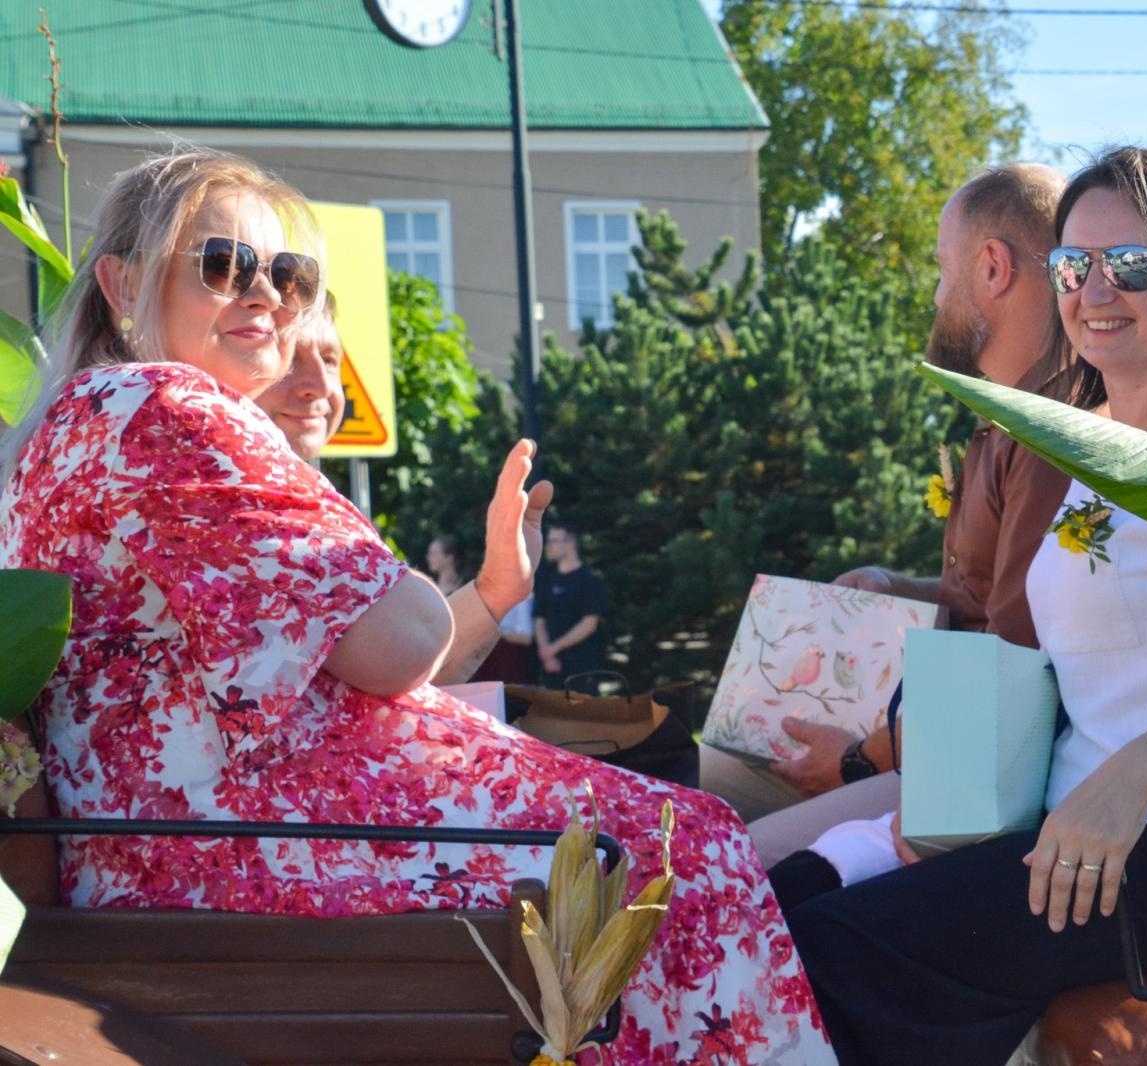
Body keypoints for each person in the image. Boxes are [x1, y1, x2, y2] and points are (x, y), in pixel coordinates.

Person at [0, 148, 834, 1065]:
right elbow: (401, 640)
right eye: (221, 264)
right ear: (121, 283)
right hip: (247, 858)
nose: (268, 296)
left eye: (290, 274)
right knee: (690, 851)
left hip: (153, 860)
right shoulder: (166, 403)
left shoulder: (59, 434)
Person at [783, 146, 1147, 1064]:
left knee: (830, 954)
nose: (1094, 290)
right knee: (793, 906)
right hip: (1108, 831)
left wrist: (1126, 784)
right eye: (1075, 266)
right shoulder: (1105, 451)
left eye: (1131, 266)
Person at [701, 163, 1074, 841]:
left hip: (961, 771)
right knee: (683, 779)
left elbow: (1016, 654)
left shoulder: (1050, 433)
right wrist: (891, 586)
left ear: (992, 268)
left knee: (722, 859)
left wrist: (854, 757)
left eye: (941, 269)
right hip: (927, 739)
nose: (935, 297)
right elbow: (988, 596)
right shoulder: (1005, 418)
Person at [256, 305, 530, 686]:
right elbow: (401, 659)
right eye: (288, 358)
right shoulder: (230, 501)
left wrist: (498, 585)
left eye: (331, 359)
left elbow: (398, 681)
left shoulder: (302, 499)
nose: (319, 383)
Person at [533, 521, 606, 691]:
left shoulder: (589, 580)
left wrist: (553, 648)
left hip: (582, 667)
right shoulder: (547, 581)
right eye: (548, 541)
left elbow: (589, 623)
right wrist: (546, 654)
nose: (548, 547)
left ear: (571, 543)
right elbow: (539, 619)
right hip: (552, 668)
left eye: (554, 541)